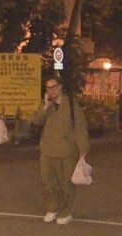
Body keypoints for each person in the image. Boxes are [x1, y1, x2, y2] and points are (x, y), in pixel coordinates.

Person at [33, 76, 89, 225]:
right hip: (48, 150)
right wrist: (45, 106)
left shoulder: (71, 104)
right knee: (48, 182)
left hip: (67, 151)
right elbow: (36, 121)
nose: (51, 90)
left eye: (54, 87)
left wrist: (83, 148)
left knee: (67, 183)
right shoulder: (46, 105)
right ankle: (52, 208)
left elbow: (80, 126)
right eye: (48, 88)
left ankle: (66, 212)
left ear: (60, 87)